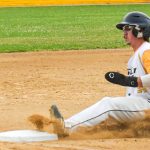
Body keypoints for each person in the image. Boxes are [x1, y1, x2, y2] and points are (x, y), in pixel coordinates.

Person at [49, 11, 150, 137]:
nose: (124, 33)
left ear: (140, 31)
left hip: (146, 106)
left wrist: (130, 81)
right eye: (123, 29)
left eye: (127, 29)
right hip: (141, 106)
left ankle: (67, 127)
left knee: (108, 104)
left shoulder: (146, 50)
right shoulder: (137, 54)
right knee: (108, 123)